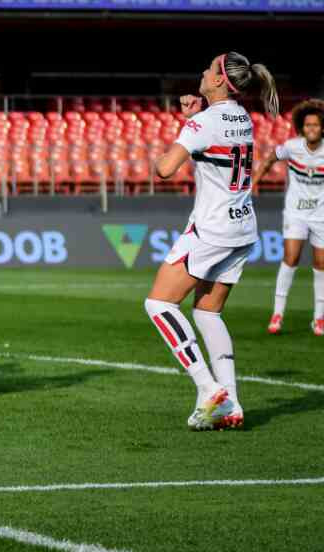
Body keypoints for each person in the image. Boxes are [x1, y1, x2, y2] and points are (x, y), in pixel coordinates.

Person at [148, 52, 279, 431]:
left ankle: (207, 389)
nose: (202, 73)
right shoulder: (243, 117)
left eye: (208, 69)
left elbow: (165, 170)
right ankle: (232, 404)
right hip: (242, 227)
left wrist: (184, 130)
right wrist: (194, 119)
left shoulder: (204, 123)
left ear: (220, 79)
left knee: (158, 303)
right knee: (207, 313)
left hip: (212, 228)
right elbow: (215, 136)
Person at [252, 98, 324, 336]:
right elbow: (271, 158)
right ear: (302, 128)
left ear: (322, 128)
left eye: (315, 125)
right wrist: (254, 182)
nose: (311, 129)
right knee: (291, 257)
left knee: (321, 264)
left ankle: (319, 319)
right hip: (296, 212)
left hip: (321, 214)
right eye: (307, 125)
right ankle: (277, 313)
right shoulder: (292, 147)